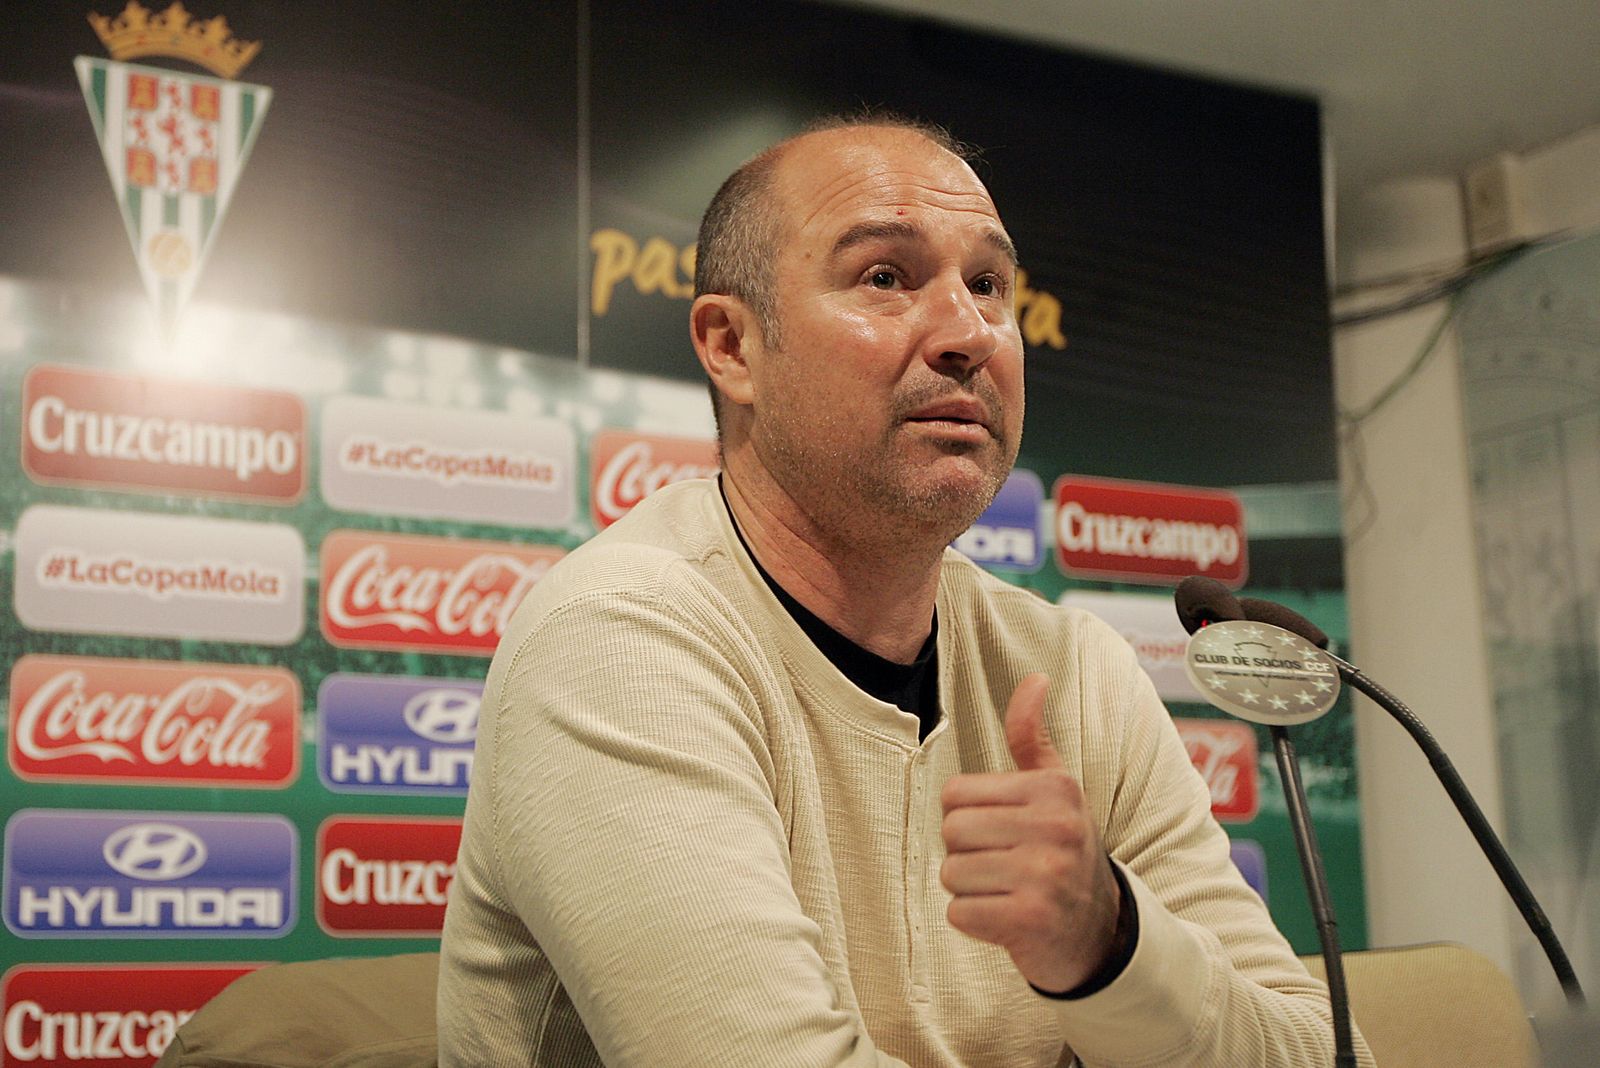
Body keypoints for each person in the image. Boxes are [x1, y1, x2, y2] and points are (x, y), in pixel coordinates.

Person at [437, 115, 1371, 1067]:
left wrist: (1114, 945)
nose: (968, 333)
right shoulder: (620, 638)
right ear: (731, 346)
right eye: (886, 277)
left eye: (989, 286)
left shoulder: (1073, 673)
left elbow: (1323, 1054)